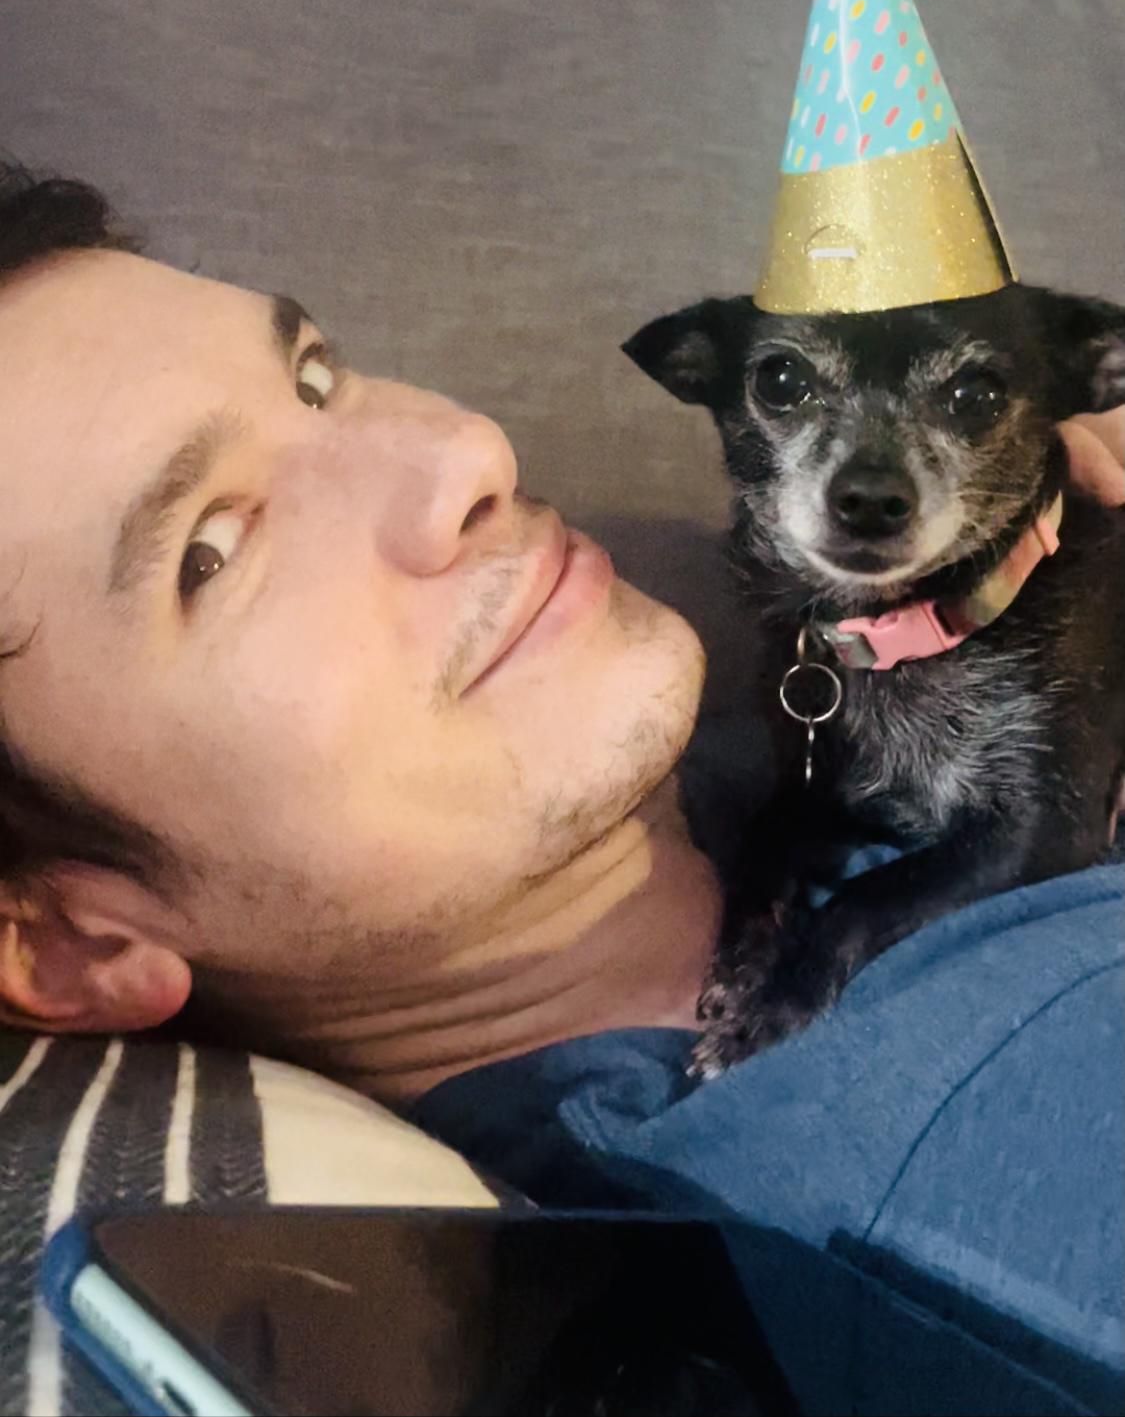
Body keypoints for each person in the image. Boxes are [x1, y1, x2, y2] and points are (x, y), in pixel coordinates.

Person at [1, 168, 1122, 1414]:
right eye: (209, 552)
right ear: (70, 942)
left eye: (316, 375)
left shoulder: (823, 708)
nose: (464, 450)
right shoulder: (937, 1200)